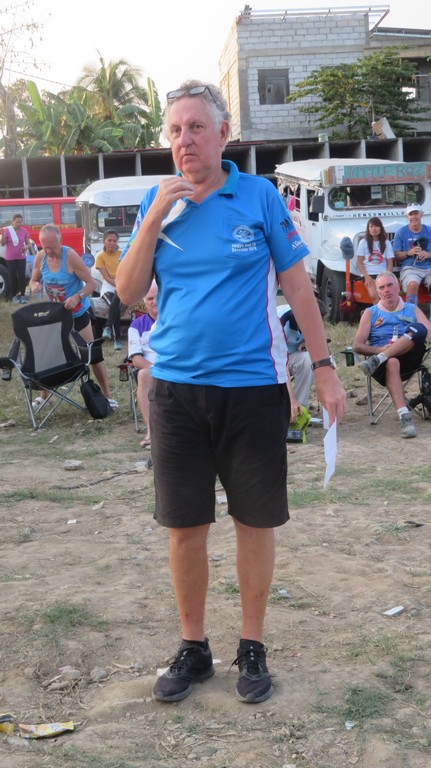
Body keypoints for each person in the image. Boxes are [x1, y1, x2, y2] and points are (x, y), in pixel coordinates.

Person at [116, 80, 345, 705]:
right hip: (176, 390)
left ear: (222, 134)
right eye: (175, 130)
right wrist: (153, 218)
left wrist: (323, 367)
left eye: (196, 127)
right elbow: (129, 292)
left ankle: (251, 645)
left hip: (252, 387)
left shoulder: (260, 196)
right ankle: (193, 647)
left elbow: (298, 288)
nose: (185, 140)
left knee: (253, 521)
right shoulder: (156, 202)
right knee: (184, 526)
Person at [29, 224, 118, 410]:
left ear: (60, 241)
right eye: (44, 246)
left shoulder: (70, 257)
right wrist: (34, 285)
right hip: (55, 314)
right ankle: (44, 396)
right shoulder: (41, 257)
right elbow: (33, 279)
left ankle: (107, 395)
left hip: (77, 312)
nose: (48, 251)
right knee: (47, 354)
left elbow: (91, 284)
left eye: (52, 246)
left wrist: (78, 296)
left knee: (92, 352)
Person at [353, 270, 431, 438]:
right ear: (377, 291)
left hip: (409, 360)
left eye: (389, 285)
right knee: (392, 361)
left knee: (419, 329)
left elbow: (428, 332)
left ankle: (381, 358)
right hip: (381, 366)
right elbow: (357, 345)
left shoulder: (411, 308)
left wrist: (388, 351)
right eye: (381, 287)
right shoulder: (370, 313)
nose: (386, 290)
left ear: (398, 286)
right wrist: (381, 351)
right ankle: (404, 416)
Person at [127, 280, 158, 448]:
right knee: (143, 375)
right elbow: (136, 359)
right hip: (152, 370)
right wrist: (156, 369)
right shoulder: (137, 326)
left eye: (158, 297)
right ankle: (152, 431)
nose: (154, 302)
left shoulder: (176, 320)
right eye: (150, 299)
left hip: (176, 367)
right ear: (144, 302)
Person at [277, 302, 321, 411]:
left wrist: (308, 342)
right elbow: (280, 363)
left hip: (290, 356)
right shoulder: (281, 320)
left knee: (308, 359)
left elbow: (323, 351)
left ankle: (300, 409)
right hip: (271, 360)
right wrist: (291, 399)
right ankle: (290, 406)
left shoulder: (312, 319)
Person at [393, 203, 431, 308]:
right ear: (407, 217)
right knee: (412, 284)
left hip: (429, 267)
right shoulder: (401, 232)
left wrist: (428, 254)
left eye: (416, 213)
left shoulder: (429, 230)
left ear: (421, 214)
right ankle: (410, 315)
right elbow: (396, 255)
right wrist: (408, 253)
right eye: (411, 214)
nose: (413, 216)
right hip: (410, 268)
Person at [94, 230, 123, 351]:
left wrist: (120, 285)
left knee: (115, 303)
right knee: (114, 305)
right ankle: (117, 339)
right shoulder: (100, 256)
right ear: (103, 241)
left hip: (122, 283)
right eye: (109, 240)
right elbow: (106, 278)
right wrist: (117, 285)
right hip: (109, 285)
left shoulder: (122, 254)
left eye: (114, 241)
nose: (112, 243)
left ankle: (108, 327)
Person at [356, 217, 394, 304]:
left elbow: (390, 262)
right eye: (371, 226)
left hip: (382, 274)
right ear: (368, 229)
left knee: (385, 295)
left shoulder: (386, 243)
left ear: (381, 228)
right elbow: (359, 262)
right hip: (369, 274)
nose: (374, 229)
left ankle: (385, 312)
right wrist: (366, 276)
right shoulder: (363, 242)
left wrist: (387, 276)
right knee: (373, 295)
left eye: (377, 226)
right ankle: (379, 312)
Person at [1, 213, 31, 304]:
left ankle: (22, 296)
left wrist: (26, 248)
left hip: (21, 257)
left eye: (20, 222)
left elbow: (28, 244)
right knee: (12, 277)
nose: (19, 224)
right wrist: (3, 234)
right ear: (13, 221)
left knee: (22, 276)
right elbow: (3, 244)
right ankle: (13, 296)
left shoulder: (24, 231)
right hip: (10, 258)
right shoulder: (8, 230)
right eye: (17, 222)